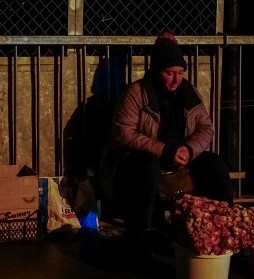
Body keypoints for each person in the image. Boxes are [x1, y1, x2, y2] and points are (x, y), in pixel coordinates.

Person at [99, 31, 234, 247]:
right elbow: (123, 133)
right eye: (170, 73)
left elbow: (205, 127)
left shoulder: (188, 92)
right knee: (148, 167)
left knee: (215, 165)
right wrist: (164, 150)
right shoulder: (136, 93)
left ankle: (225, 227)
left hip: (179, 155)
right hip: (140, 159)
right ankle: (141, 233)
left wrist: (188, 150)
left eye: (180, 72)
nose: (176, 79)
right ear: (157, 71)